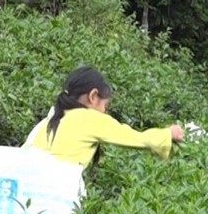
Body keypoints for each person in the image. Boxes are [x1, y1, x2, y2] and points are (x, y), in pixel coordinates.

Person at [26, 66, 184, 169]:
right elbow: (138, 139)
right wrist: (168, 133)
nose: (104, 111)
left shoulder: (46, 123)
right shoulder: (90, 119)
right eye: (105, 106)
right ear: (93, 96)